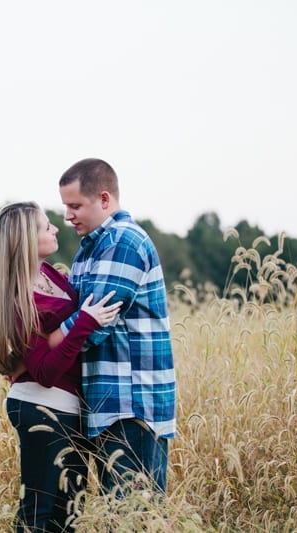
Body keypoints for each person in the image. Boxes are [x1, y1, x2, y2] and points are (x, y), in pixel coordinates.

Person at [0, 201, 122, 532]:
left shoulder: (50, 274)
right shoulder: (19, 301)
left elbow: (56, 337)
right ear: (26, 239)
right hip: (43, 408)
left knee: (69, 514)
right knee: (40, 513)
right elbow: (45, 371)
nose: (55, 227)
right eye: (46, 226)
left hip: (68, 409)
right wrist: (84, 323)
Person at [57, 158, 176, 496]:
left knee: (133, 516)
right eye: (66, 206)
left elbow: (91, 328)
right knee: (119, 515)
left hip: (132, 405)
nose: (68, 216)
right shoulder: (90, 250)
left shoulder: (123, 243)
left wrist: (40, 350)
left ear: (104, 199)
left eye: (76, 205)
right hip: (108, 403)